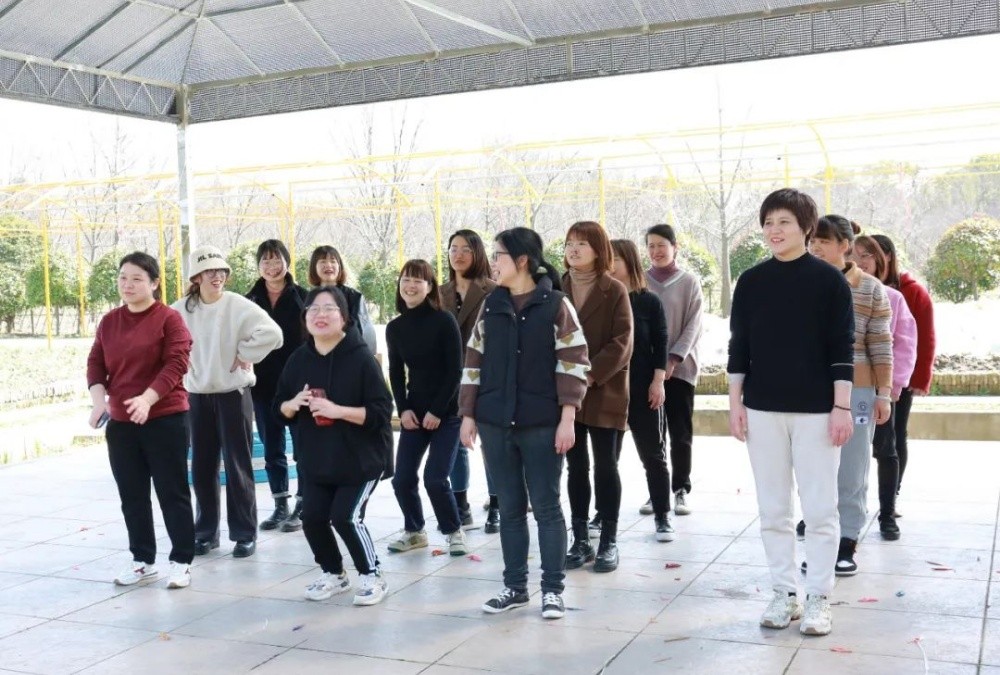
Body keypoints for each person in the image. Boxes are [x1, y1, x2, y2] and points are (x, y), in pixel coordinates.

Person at [728, 188, 855, 636]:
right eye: (768, 222)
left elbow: (842, 348)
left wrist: (842, 407)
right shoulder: (751, 281)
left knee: (820, 509)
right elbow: (739, 346)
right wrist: (735, 402)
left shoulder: (829, 281)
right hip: (763, 409)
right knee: (773, 509)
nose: (774, 230)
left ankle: (819, 596)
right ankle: (784, 594)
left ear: (806, 227)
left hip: (818, 412)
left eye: (783, 221)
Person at [460, 227, 589, 620]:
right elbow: (473, 361)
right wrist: (468, 414)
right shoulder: (491, 305)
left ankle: (552, 590)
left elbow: (574, 362)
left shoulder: (556, 305)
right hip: (495, 422)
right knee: (511, 508)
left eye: (498, 255)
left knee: (547, 507)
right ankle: (515, 587)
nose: (492, 263)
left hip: (542, 422)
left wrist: (568, 417)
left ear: (521, 260)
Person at [274, 286, 393, 606]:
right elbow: (279, 409)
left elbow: (382, 412)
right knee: (312, 518)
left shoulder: (361, 358)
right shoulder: (299, 359)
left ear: (344, 318)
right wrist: (292, 404)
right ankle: (334, 573)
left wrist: (338, 411)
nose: (320, 315)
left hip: (361, 459)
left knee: (346, 517)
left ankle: (372, 575)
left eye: (329, 309)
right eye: (313, 309)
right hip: (317, 459)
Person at [87, 252, 195, 589]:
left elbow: (176, 364)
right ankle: (142, 560)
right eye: (123, 277)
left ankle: (181, 561)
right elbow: (95, 363)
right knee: (132, 494)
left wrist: (148, 399)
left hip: (165, 418)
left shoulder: (169, 319)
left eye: (137, 278)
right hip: (122, 423)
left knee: (172, 492)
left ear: (154, 283)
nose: (128, 284)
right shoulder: (110, 321)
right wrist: (99, 402)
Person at [172, 245, 283, 559]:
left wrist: (246, 353)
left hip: (233, 395)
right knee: (202, 467)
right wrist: (181, 366)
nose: (216, 276)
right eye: (209, 271)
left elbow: (274, 334)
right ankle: (205, 533)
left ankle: (244, 534)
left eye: (221, 271)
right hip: (196, 396)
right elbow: (162, 342)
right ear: (196, 277)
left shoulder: (237, 305)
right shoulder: (179, 310)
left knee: (238, 465)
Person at [805, 216, 892, 576]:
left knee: (853, 466)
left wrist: (883, 393)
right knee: (814, 467)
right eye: (812, 241)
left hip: (859, 387)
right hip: (810, 387)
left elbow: (881, 343)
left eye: (823, 241)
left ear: (845, 245)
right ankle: (821, 541)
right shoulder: (802, 280)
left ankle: (847, 540)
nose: (815, 247)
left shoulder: (870, 288)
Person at [561, 221, 633, 574]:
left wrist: (588, 375)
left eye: (582, 244)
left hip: (605, 388)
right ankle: (580, 540)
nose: (573, 250)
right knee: (576, 467)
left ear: (598, 250)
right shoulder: (556, 288)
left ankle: (608, 540)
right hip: (565, 392)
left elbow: (623, 341)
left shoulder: (614, 289)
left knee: (606, 465)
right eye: (569, 243)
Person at [386, 259, 467, 556]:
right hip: (414, 413)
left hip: (447, 413)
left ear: (430, 287)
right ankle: (414, 531)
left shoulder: (444, 321)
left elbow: (455, 371)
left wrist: (437, 410)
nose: (410, 286)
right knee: (402, 478)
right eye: (406, 279)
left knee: (435, 478)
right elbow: (396, 373)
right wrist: (403, 409)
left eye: (418, 280)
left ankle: (454, 531)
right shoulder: (395, 327)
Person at [609, 239, 674, 542]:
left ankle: (662, 515)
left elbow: (661, 343)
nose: (609, 265)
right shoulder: (603, 300)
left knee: (653, 456)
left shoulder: (648, 301)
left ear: (629, 262)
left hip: (643, 387)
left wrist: (657, 381)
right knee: (607, 459)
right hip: (609, 391)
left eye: (614, 259)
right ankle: (602, 515)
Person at [852, 235, 916, 540]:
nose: (859, 261)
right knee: (839, 455)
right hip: (843, 390)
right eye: (852, 255)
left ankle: (887, 514)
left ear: (879, 260)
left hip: (879, 390)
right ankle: (829, 513)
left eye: (866, 255)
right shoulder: (836, 292)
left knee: (885, 450)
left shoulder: (893, 298)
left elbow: (904, 346)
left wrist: (891, 389)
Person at [246, 239, 308, 533]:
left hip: (298, 385)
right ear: (259, 266)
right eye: (265, 261)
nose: (271, 267)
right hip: (263, 385)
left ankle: (303, 503)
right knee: (272, 448)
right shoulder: (249, 301)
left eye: (277, 260)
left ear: (287, 262)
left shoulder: (303, 297)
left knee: (303, 447)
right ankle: (280, 504)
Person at [440, 229, 498, 533]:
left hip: (485, 375)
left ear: (477, 253)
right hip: (450, 377)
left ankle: (497, 503)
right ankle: (460, 504)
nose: (458, 255)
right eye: (453, 248)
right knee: (456, 443)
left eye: (465, 249)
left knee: (490, 442)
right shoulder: (439, 292)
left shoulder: (493, 290)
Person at [872, 233, 935, 506]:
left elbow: (924, 337)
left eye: (869, 254)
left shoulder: (911, 291)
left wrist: (920, 378)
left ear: (886, 256)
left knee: (896, 435)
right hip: (867, 378)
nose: (862, 261)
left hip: (900, 378)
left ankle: (892, 495)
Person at [644, 224, 703, 516]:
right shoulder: (640, 281)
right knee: (652, 435)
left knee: (680, 432)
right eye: (651, 246)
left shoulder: (689, 282)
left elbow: (693, 326)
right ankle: (655, 490)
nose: (656, 251)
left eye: (661, 245)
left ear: (675, 247)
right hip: (646, 371)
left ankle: (680, 488)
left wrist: (672, 360)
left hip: (680, 371)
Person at [308, 245, 378, 355]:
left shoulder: (354, 297)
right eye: (323, 261)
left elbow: (362, 334)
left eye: (333, 261)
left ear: (339, 266)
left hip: (349, 356)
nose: (328, 265)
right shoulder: (308, 298)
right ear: (314, 267)